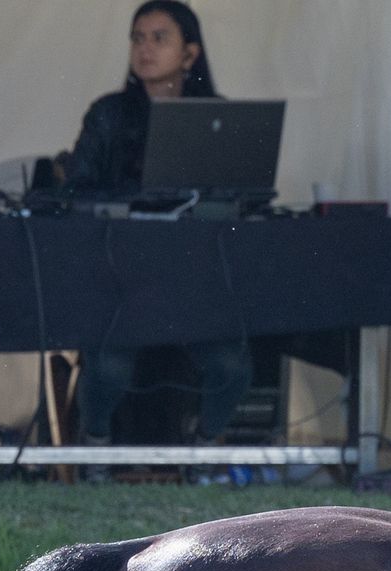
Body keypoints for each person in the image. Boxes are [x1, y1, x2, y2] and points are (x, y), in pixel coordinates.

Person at [61, 0, 251, 453]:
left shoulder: (219, 117)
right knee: (109, 368)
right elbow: (76, 191)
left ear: (189, 53)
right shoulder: (107, 114)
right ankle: (97, 447)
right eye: (137, 38)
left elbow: (240, 198)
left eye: (158, 38)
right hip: (122, 279)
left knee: (233, 364)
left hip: (198, 280)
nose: (144, 49)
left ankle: (203, 451)